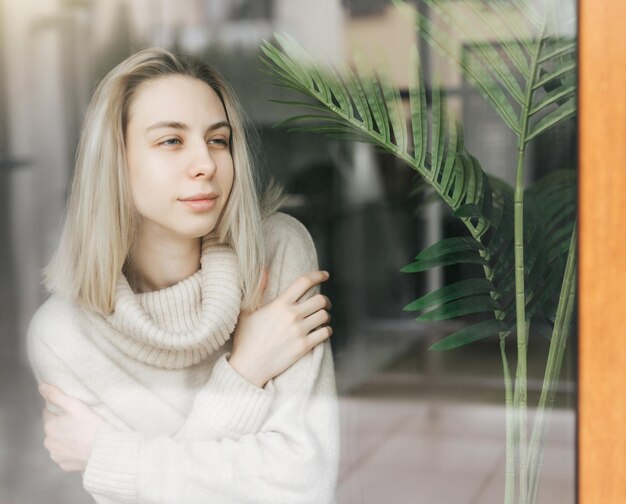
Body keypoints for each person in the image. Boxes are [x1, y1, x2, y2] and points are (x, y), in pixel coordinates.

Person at [26, 47, 339, 504]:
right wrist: (245, 371)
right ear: (115, 161)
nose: (207, 164)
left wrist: (113, 458)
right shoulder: (63, 336)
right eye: (171, 141)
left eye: (218, 139)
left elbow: (305, 481)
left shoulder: (276, 250)